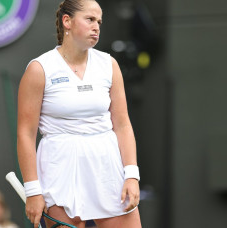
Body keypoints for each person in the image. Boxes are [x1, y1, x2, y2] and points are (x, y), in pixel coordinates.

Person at [17, 0, 142, 227]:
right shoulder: (39, 69)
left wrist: (131, 175)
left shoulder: (109, 65)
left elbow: (122, 124)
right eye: (90, 19)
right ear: (67, 21)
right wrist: (33, 190)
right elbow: (26, 134)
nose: (97, 27)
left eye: (99, 22)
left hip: (107, 167)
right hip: (59, 169)